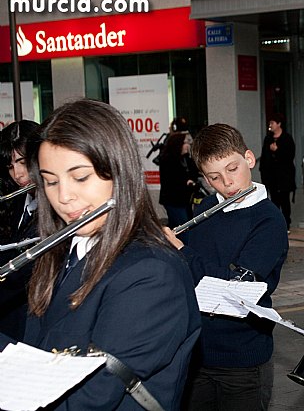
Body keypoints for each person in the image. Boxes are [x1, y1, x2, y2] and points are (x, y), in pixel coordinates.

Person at [0, 99, 201, 410]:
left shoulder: (151, 275)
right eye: (51, 181)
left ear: (118, 173)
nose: (64, 197)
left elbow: (86, 398)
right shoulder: (63, 252)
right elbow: (35, 356)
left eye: (80, 177)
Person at [163, 123, 288, 411]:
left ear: (249, 159)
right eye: (215, 177)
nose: (228, 184)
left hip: (242, 360)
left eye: (233, 169)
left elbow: (237, 288)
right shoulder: (206, 206)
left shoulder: (268, 220)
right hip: (198, 354)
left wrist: (182, 252)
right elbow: (188, 276)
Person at [0, 120, 41, 341]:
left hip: (30, 315)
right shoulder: (19, 200)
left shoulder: (56, 208)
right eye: (9, 166)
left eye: (22, 162)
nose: (18, 174)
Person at [259, 113, 296, 231]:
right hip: (272, 176)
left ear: (279, 124)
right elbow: (265, 157)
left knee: (284, 201)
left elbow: (289, 156)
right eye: (270, 123)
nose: (270, 125)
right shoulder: (268, 138)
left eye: (272, 123)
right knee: (274, 201)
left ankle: (286, 223)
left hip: (284, 176)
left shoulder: (286, 138)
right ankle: (275, 224)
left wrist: (277, 151)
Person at [159, 131, 199, 229]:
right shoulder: (168, 160)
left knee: (186, 225)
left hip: (185, 199)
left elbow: (194, 172)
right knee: (182, 227)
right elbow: (171, 180)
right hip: (174, 200)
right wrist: (186, 182)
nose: (188, 145)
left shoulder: (186, 159)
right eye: (185, 143)